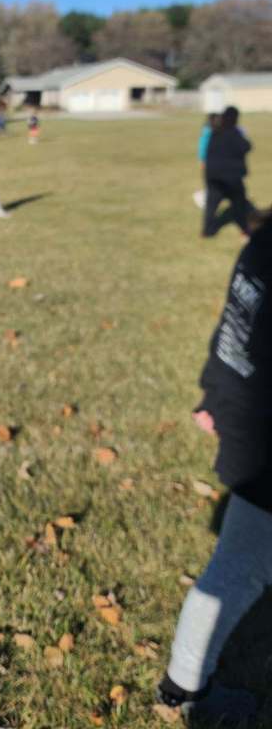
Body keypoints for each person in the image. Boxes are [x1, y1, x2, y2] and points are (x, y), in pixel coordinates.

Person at [157, 211, 272, 725]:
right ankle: (186, 691)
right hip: (264, 436)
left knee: (240, 564)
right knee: (240, 567)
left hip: (247, 421)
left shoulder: (265, 238)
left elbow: (231, 325)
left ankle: (182, 687)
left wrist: (212, 392)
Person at [203, 107, 252, 238]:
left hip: (212, 175)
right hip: (230, 176)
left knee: (211, 204)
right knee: (239, 204)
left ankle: (207, 231)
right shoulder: (233, 131)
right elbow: (246, 146)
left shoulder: (216, 131)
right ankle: (245, 229)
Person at [193, 113, 220, 208]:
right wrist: (203, 163)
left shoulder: (214, 132)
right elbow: (203, 151)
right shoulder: (207, 133)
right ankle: (201, 197)